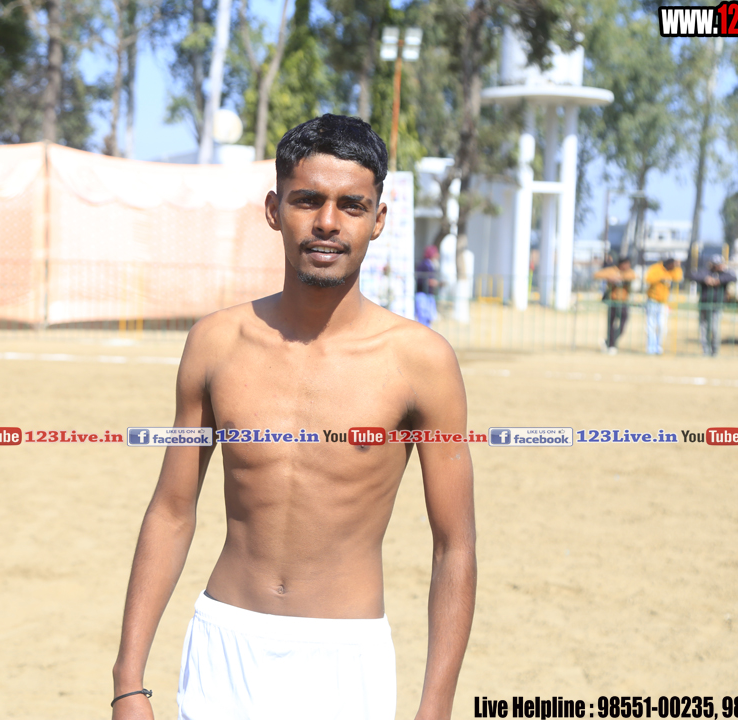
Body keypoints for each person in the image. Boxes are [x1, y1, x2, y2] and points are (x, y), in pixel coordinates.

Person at [110, 115, 476, 720]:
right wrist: (128, 680)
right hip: (224, 645)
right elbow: (172, 511)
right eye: (308, 200)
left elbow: (454, 546)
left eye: (352, 205)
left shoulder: (421, 362)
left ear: (378, 220)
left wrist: (435, 706)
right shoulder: (216, 343)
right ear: (274, 210)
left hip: (344, 659)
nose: (328, 222)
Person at [688, 255, 736, 357]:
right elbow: (692, 275)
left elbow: (733, 277)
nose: (720, 266)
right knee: (703, 328)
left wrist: (719, 280)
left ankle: (715, 351)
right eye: (717, 265)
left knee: (714, 328)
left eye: (720, 264)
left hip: (717, 305)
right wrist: (706, 279)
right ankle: (705, 350)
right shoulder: (705, 272)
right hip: (704, 304)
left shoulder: (724, 273)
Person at [594, 257, 635, 354]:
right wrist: (610, 277)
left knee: (622, 325)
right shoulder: (612, 270)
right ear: (621, 264)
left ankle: (608, 341)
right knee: (611, 325)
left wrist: (620, 278)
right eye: (626, 264)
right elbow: (597, 275)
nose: (628, 266)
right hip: (612, 301)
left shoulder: (629, 272)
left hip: (623, 302)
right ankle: (611, 345)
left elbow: (633, 276)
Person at [644, 257, 683, 355]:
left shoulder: (672, 270)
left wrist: (678, 267)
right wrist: (661, 278)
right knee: (651, 325)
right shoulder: (656, 268)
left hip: (663, 302)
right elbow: (648, 279)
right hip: (652, 300)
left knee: (662, 326)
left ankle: (659, 347)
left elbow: (678, 277)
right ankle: (650, 348)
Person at [415, 245, 440, 327]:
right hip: (422, 294)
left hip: (429, 295)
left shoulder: (431, 265)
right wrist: (429, 282)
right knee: (423, 318)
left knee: (429, 318)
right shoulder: (423, 265)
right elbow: (419, 279)